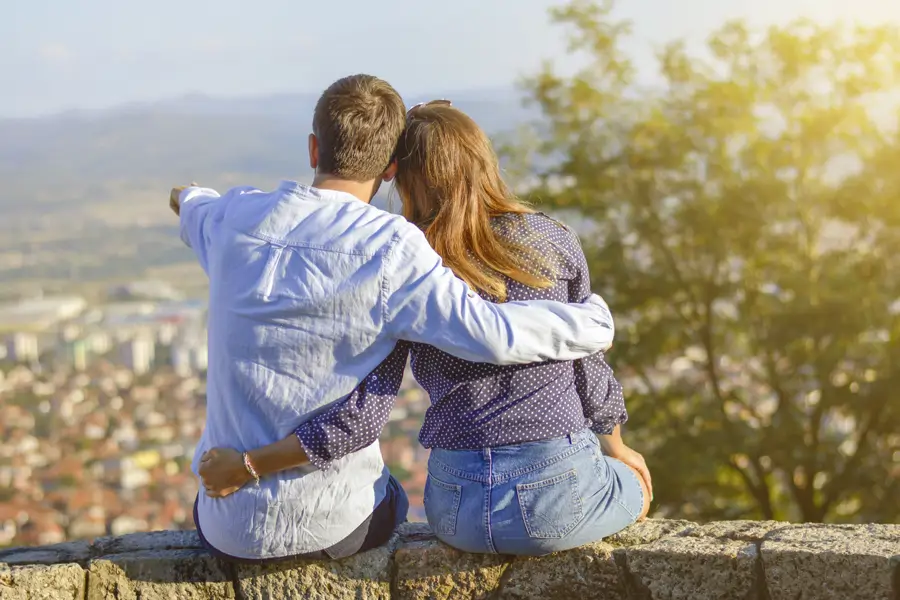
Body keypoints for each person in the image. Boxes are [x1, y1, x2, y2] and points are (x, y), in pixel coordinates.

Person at [170, 75, 617, 563]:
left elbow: (189, 202)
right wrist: (590, 323)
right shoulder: (395, 248)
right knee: (393, 497)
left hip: (225, 525)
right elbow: (491, 333)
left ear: (314, 148)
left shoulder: (231, 216)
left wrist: (188, 196)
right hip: (331, 529)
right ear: (388, 169)